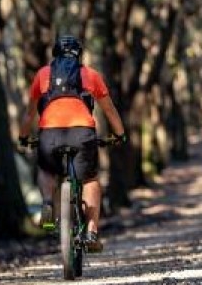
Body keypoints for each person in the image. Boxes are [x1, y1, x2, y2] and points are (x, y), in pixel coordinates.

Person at [18, 34, 126, 252]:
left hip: (49, 132)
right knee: (90, 178)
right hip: (82, 132)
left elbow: (29, 115)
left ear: (55, 54)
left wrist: (23, 137)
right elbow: (109, 109)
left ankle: (48, 202)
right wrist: (120, 134)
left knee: (47, 169)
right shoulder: (90, 75)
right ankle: (92, 231)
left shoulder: (42, 75)